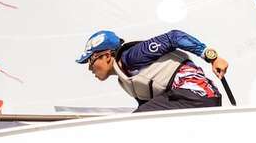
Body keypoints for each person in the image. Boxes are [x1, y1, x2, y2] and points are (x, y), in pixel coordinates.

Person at [76, 29, 229, 112]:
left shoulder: (132, 56)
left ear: (107, 56)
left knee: (136, 122)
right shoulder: (126, 79)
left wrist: (212, 58)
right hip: (189, 100)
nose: (89, 68)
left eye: (90, 61)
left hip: (195, 95)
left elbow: (174, 37)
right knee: (140, 117)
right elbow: (147, 107)